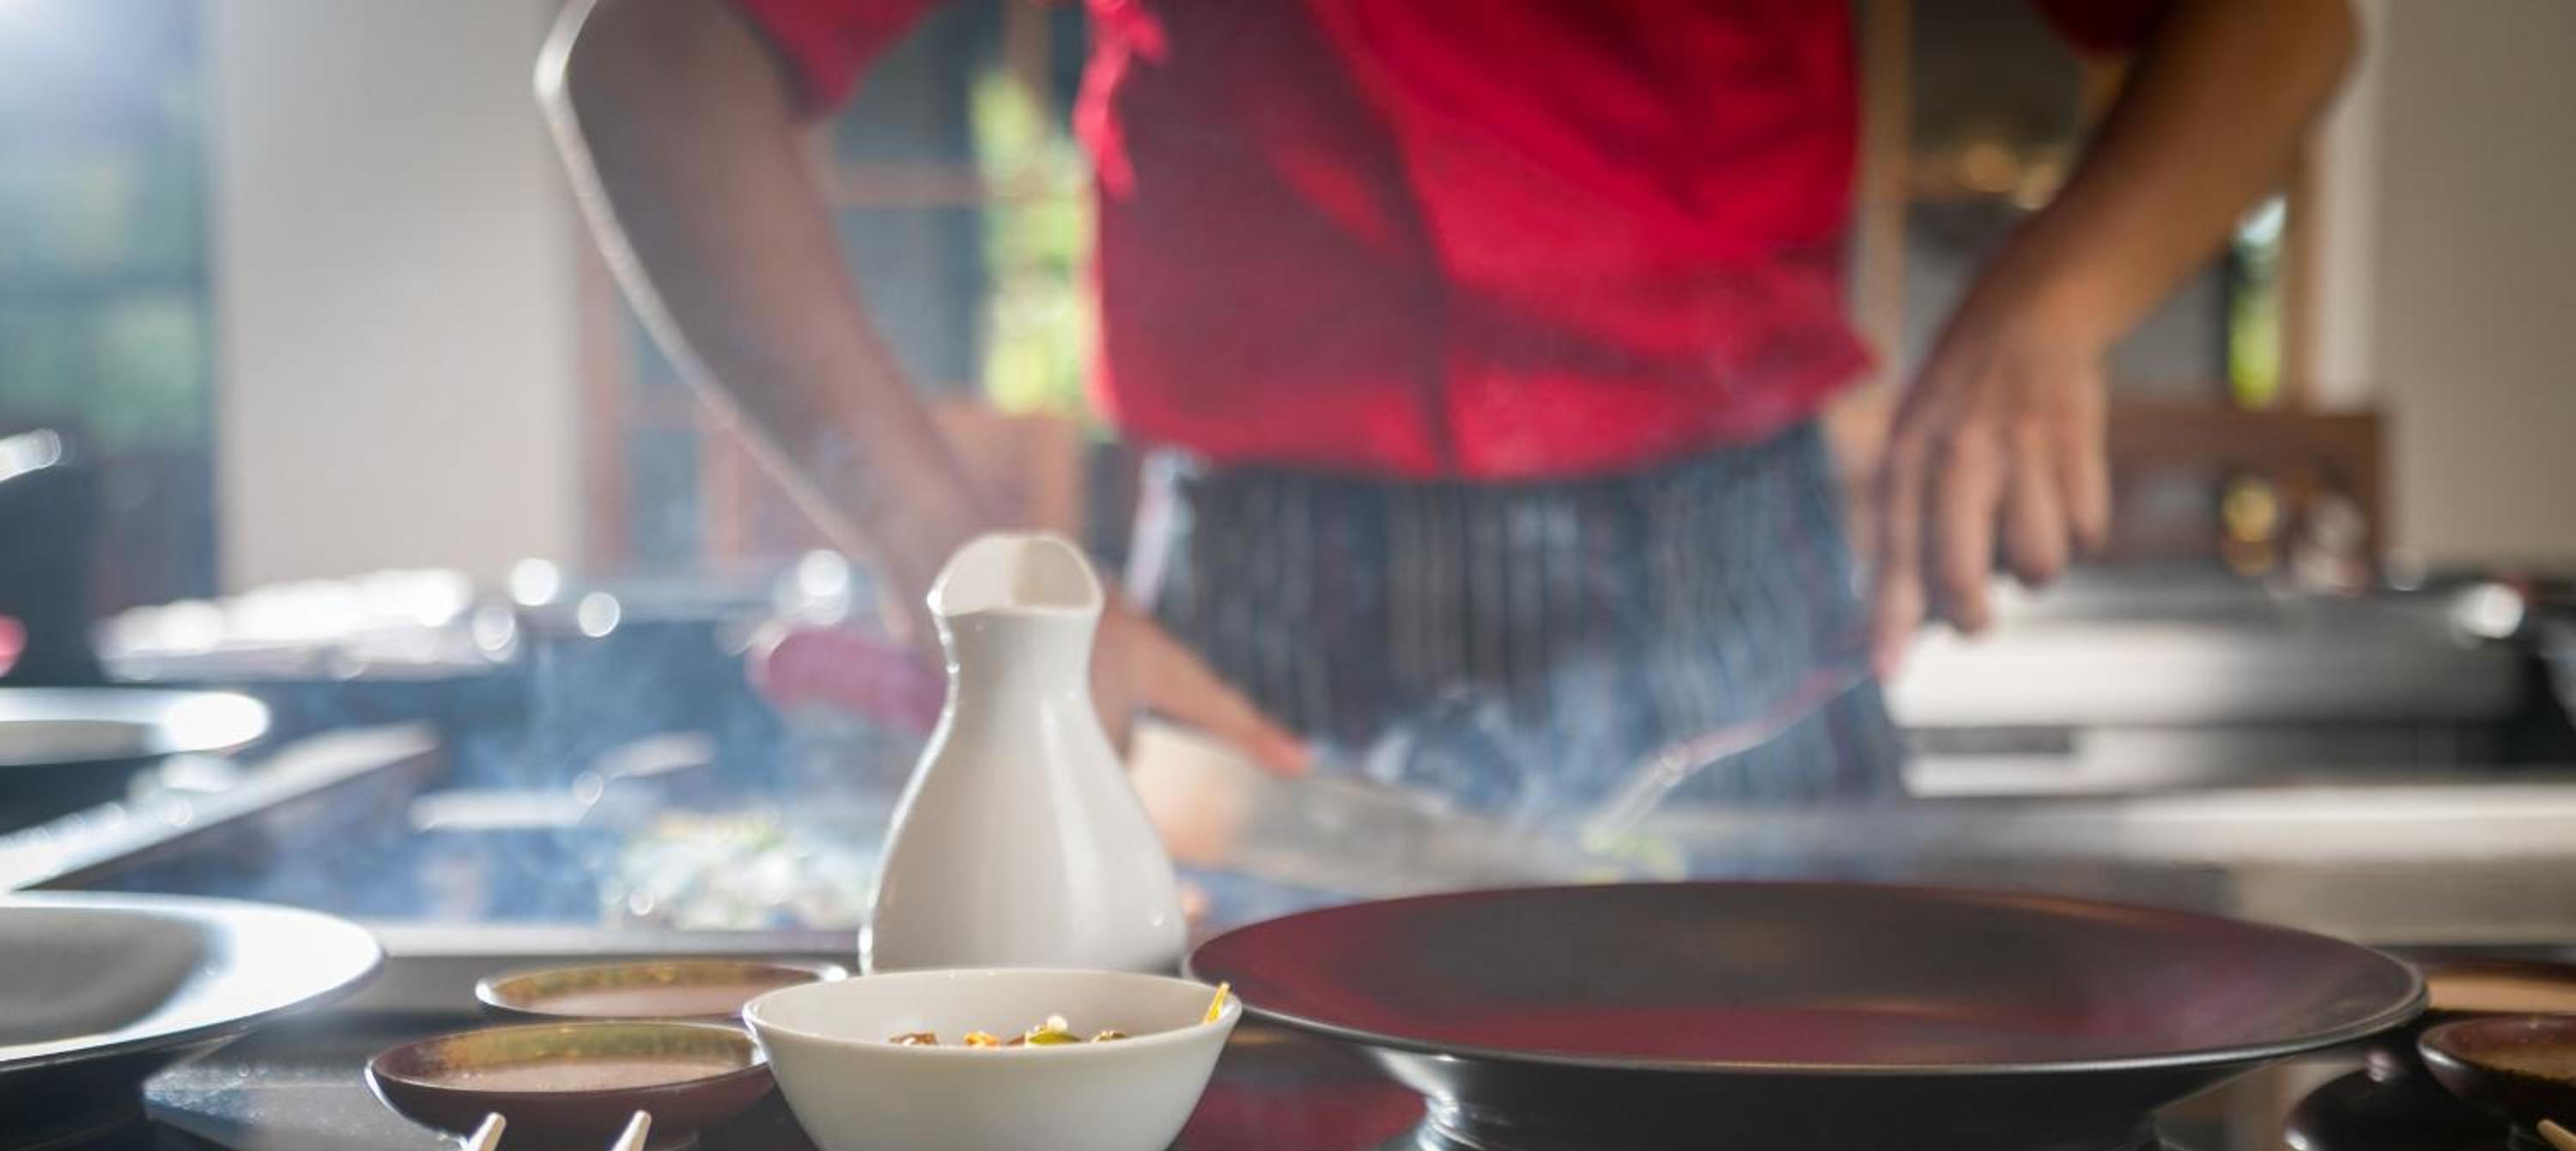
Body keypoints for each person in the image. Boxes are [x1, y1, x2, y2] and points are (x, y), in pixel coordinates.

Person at [541, 0, 2354, 809]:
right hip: (1249, 627)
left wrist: (2056, 298)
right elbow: (653, 49)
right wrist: (948, 550)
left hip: (1740, 589)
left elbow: (2283, 22)